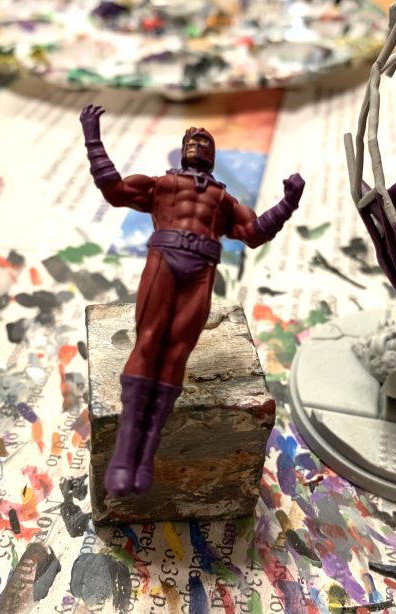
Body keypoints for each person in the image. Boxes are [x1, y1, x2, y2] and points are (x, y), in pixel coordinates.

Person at [80, 104, 305, 496]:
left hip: (201, 270)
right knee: (149, 342)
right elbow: (115, 191)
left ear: (213, 154)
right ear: (183, 147)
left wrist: (288, 203)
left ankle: (145, 457)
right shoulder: (161, 185)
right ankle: (123, 457)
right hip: (165, 260)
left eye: (204, 139)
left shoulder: (223, 200)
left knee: (176, 356)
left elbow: (253, 233)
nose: (198, 141)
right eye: (192, 138)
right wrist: (92, 138)